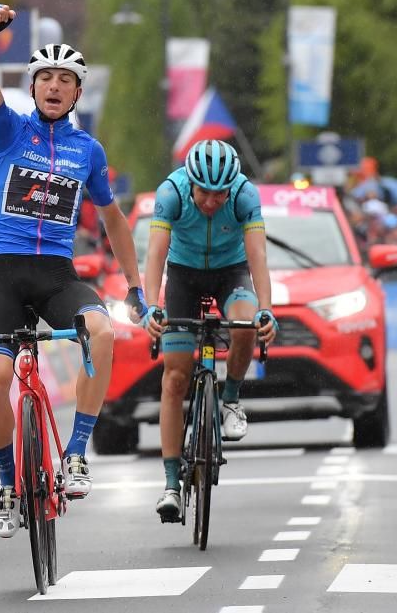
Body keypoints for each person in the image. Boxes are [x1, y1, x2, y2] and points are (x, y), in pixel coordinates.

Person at [0, 3, 146, 538]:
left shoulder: (87, 150)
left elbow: (114, 221)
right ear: (33, 88)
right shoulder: (8, 133)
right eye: (45, 77)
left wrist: (137, 287)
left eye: (65, 80)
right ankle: (6, 481)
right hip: (6, 274)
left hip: (57, 277)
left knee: (102, 329)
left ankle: (75, 454)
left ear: (76, 94)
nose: (53, 86)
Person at [141, 139, 277, 522]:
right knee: (174, 377)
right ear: (191, 183)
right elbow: (154, 256)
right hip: (183, 276)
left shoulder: (245, 196)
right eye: (204, 193)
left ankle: (230, 398)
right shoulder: (171, 193)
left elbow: (258, 256)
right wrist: (152, 304)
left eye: (220, 194)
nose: (213, 202)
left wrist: (266, 308)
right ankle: (170, 484)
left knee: (246, 322)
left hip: (230, 273)